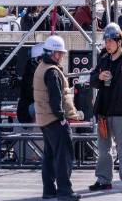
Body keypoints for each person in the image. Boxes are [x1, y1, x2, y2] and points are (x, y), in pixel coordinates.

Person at [89, 23, 122, 193]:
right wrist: (99, 76)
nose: (107, 44)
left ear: (119, 41)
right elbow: (92, 80)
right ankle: (104, 179)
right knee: (104, 150)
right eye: (106, 40)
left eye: (110, 41)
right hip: (104, 112)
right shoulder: (104, 59)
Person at [33, 35, 84, 201]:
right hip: (55, 120)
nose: (62, 56)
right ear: (53, 53)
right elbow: (56, 99)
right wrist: (62, 118)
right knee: (63, 157)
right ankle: (65, 191)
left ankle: (48, 190)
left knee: (49, 156)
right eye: (60, 53)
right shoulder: (52, 72)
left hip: (44, 119)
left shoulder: (41, 67)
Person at [16, 43, 45, 124]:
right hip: (26, 112)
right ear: (38, 60)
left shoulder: (45, 71)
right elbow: (33, 95)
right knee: (47, 105)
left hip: (33, 108)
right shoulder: (30, 75)